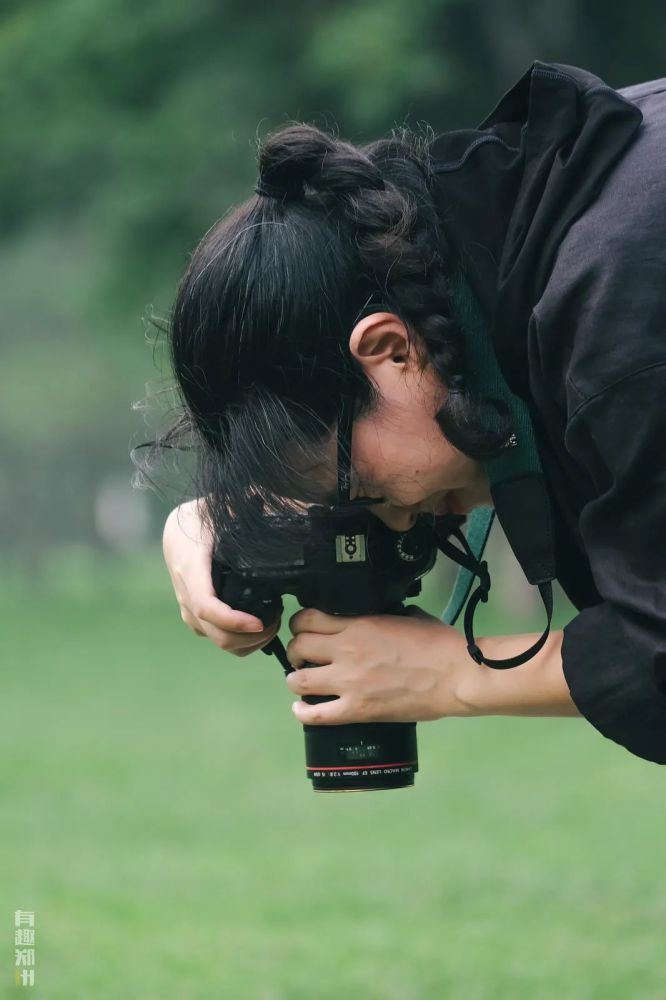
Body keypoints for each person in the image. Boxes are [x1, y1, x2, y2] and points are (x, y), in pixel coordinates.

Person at [158, 61, 666, 765]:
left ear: (391, 348)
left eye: (363, 493)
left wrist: (452, 672)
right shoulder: (542, 214)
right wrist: (234, 524)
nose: (399, 517)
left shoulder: (622, 329)